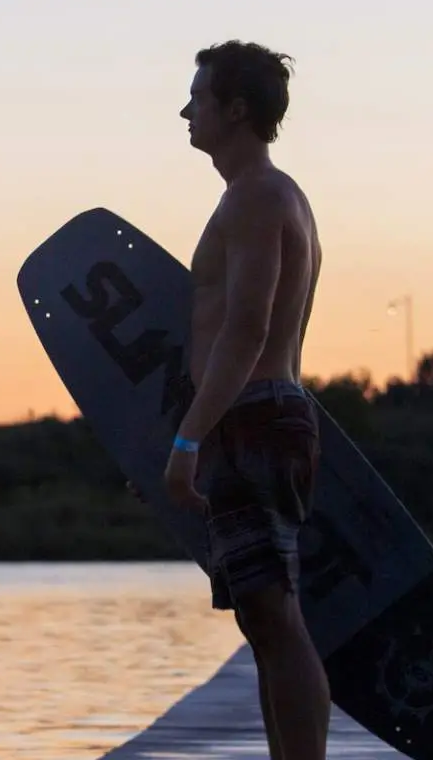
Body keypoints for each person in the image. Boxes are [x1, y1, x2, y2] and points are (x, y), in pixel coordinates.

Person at [163, 39, 331, 760]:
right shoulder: (270, 196)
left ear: (235, 110)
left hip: (253, 418)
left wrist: (187, 441)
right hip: (262, 414)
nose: (184, 111)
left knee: (275, 617)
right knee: (264, 622)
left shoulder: (258, 197)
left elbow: (248, 325)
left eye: (197, 98)